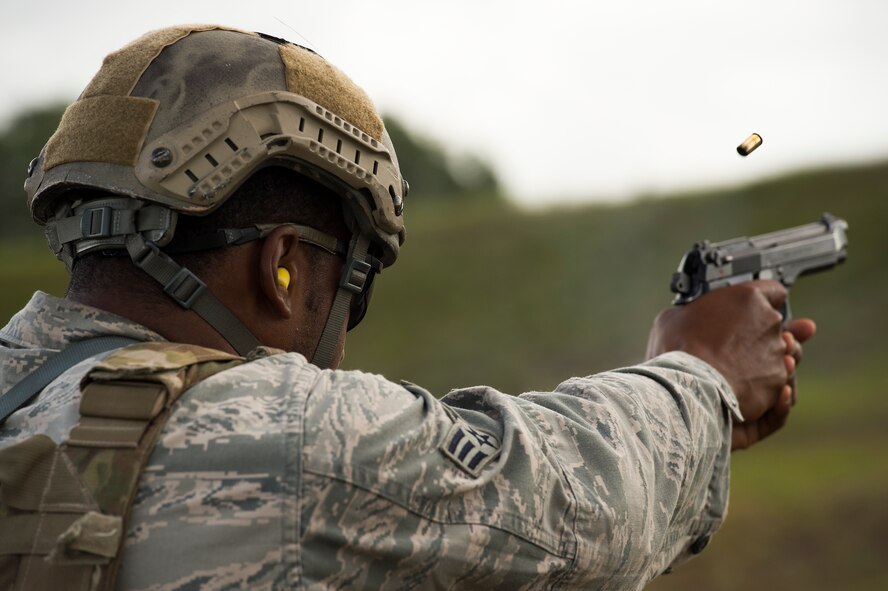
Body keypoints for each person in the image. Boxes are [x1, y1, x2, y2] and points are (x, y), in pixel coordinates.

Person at [0, 25, 815, 590]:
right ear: (282, 267)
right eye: (354, 284)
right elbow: (587, 503)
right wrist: (702, 370)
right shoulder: (286, 438)